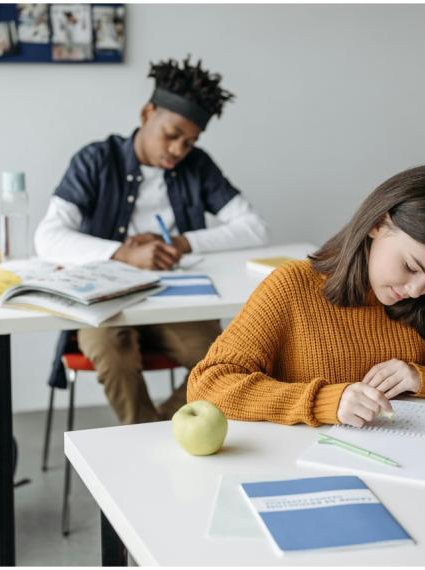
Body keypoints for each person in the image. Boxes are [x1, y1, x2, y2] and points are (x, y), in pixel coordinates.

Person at [187, 165, 425, 427]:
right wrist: (325, 401)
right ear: (377, 224)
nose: (416, 290)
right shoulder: (293, 287)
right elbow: (208, 385)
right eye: (410, 267)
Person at [35, 56, 269, 424]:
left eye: (189, 142)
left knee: (223, 359)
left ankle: (157, 429)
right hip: (106, 304)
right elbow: (48, 237)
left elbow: (255, 228)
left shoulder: (197, 166)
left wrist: (182, 243)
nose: (178, 150)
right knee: (110, 349)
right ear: (147, 114)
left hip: (176, 301)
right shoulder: (96, 160)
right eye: (172, 135)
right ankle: (145, 434)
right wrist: (124, 254)